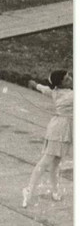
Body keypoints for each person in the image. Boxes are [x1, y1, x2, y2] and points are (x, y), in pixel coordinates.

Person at [22, 70, 73, 207]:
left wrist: (34, 84)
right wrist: (35, 85)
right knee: (46, 161)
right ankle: (29, 190)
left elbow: (45, 89)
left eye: (69, 77)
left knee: (56, 162)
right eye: (67, 79)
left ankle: (55, 191)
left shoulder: (57, 91)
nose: (71, 79)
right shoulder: (71, 95)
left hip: (63, 128)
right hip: (59, 130)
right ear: (60, 84)